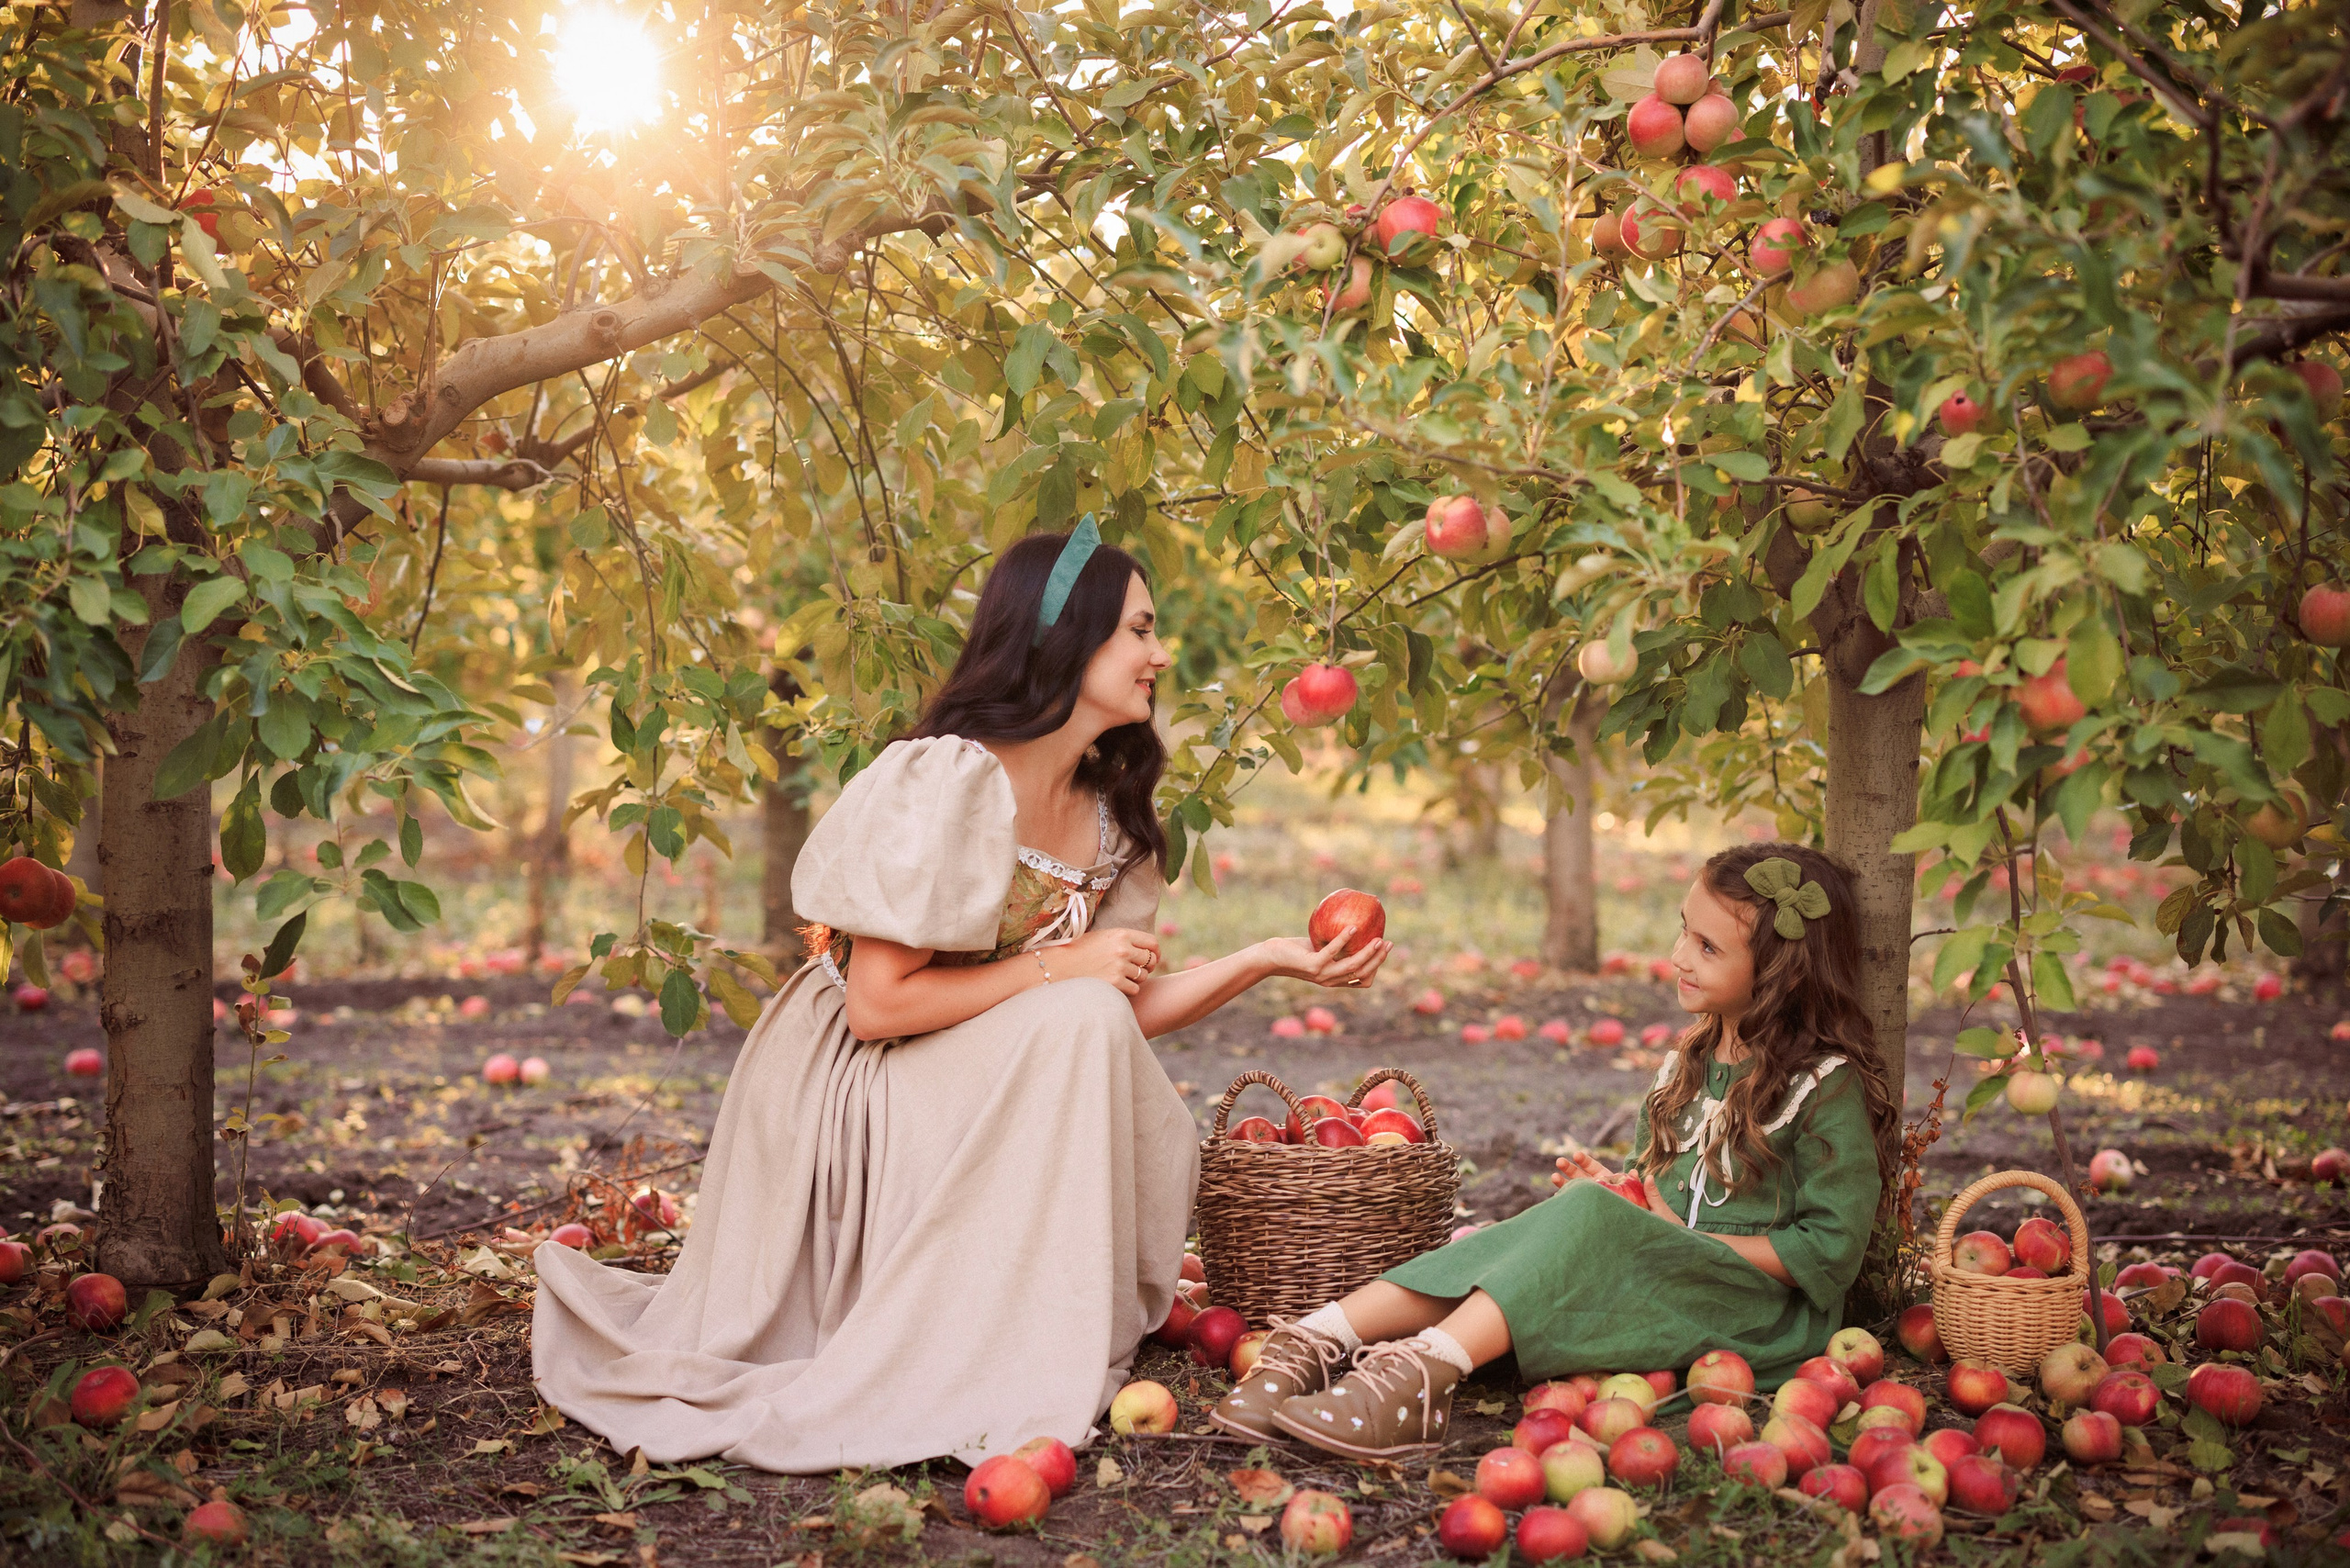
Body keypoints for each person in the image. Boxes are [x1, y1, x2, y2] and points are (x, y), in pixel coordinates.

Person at [532, 521, 1393, 1473]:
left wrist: (1270, 957)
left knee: (1090, 1026)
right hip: (856, 1078)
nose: (1161, 653)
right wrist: (1058, 969)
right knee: (1070, 1008)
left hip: (967, 1058)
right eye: (1140, 630)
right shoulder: (948, 780)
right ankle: (977, 1341)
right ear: (1066, 638)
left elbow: (1106, 1018)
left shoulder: (1108, 814)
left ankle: (1034, 1315)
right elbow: (879, 1005)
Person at [1209, 842, 1899, 1460]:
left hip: (1755, 1316)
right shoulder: (1686, 1066)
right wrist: (1624, 1196)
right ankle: (1312, 1340)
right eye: (1684, 931)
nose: (1681, 955)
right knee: (1550, 1221)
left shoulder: (1821, 1087)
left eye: (1710, 948)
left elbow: (1829, 1254)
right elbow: (1658, 1190)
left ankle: (1423, 1373)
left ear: (1782, 972)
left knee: (1588, 1219)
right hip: (1670, 1283)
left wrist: (1662, 1234)